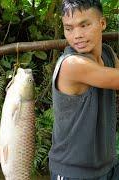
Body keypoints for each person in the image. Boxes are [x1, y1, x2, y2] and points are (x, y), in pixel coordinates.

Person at [48, 0, 119, 179]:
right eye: (69, 28)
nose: (77, 35)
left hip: (108, 166)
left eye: (84, 25)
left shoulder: (108, 54)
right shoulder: (72, 65)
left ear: (102, 23)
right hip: (73, 172)